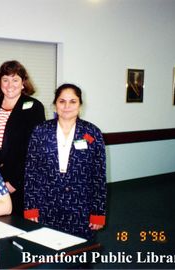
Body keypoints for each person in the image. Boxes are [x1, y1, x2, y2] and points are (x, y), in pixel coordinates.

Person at [24, 83, 107, 240]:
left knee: (80, 256)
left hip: (81, 207)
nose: (67, 106)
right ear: (55, 105)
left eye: (73, 101)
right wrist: (31, 208)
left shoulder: (92, 132)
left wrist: (98, 213)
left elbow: (99, 176)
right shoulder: (40, 131)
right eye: (62, 101)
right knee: (47, 255)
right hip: (46, 206)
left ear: (80, 105)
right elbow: (31, 173)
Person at [0, 60, 45, 216]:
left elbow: (35, 150)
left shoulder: (34, 107)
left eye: (15, 80)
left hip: (19, 182)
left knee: (18, 227)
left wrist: (15, 182)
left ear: (23, 83)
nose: (9, 84)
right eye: (5, 79)